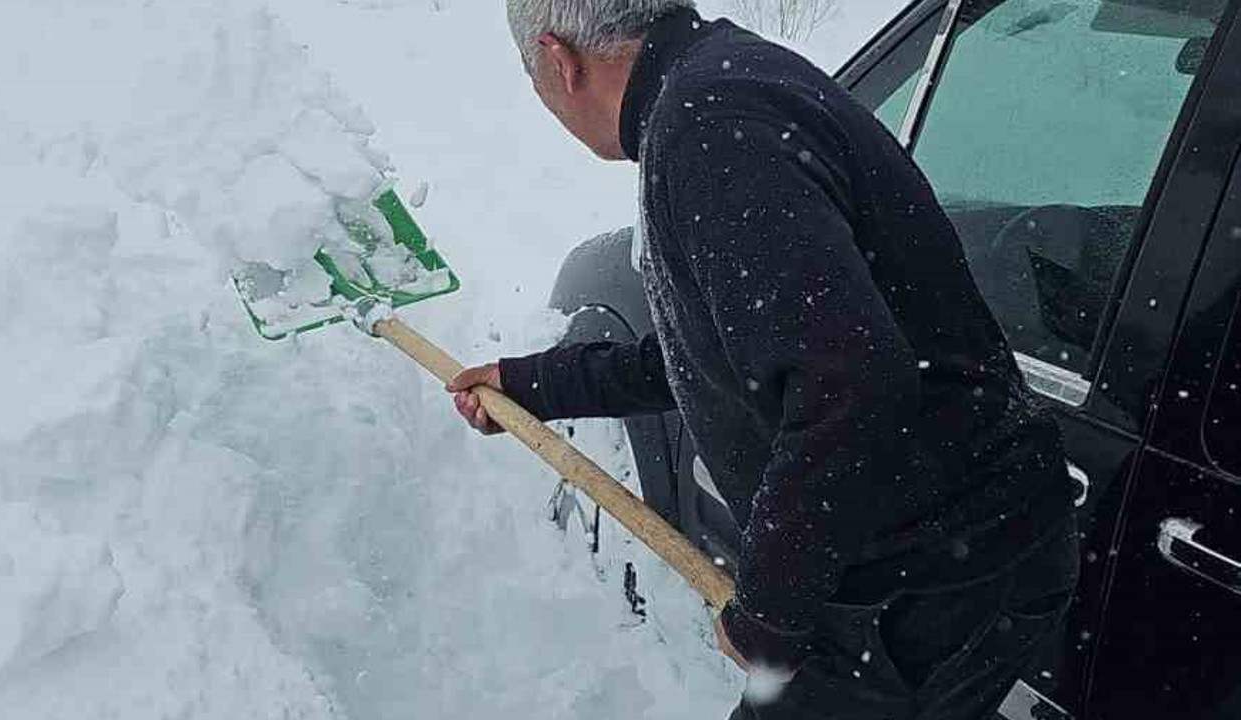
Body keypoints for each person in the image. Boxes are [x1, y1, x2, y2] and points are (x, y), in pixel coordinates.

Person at [446, 1, 1080, 717]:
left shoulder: (709, 129)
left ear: (561, 63)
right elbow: (725, 356)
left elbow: (849, 382)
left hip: (923, 584)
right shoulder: (722, 82)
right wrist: (537, 383)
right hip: (949, 554)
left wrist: (770, 612)